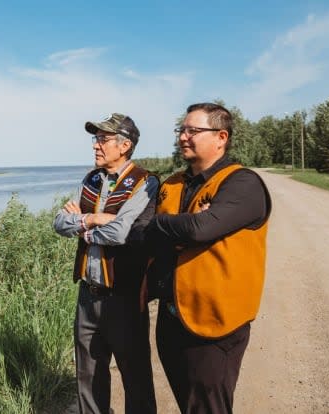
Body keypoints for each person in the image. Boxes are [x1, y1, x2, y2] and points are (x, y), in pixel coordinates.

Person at [145, 102, 272, 414]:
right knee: (188, 402)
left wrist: (166, 225)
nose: (183, 137)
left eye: (193, 131)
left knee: (209, 406)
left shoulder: (243, 183)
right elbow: (145, 235)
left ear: (221, 137)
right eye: (181, 130)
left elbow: (201, 229)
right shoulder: (173, 183)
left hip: (217, 322)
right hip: (172, 318)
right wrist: (182, 227)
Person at [53, 113, 158, 414]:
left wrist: (81, 225)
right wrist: (93, 218)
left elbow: (120, 232)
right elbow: (59, 223)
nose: (96, 145)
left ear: (124, 145)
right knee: (87, 375)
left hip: (124, 296)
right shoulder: (92, 179)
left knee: (135, 377)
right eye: (95, 139)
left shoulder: (144, 182)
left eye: (103, 139)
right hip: (88, 294)